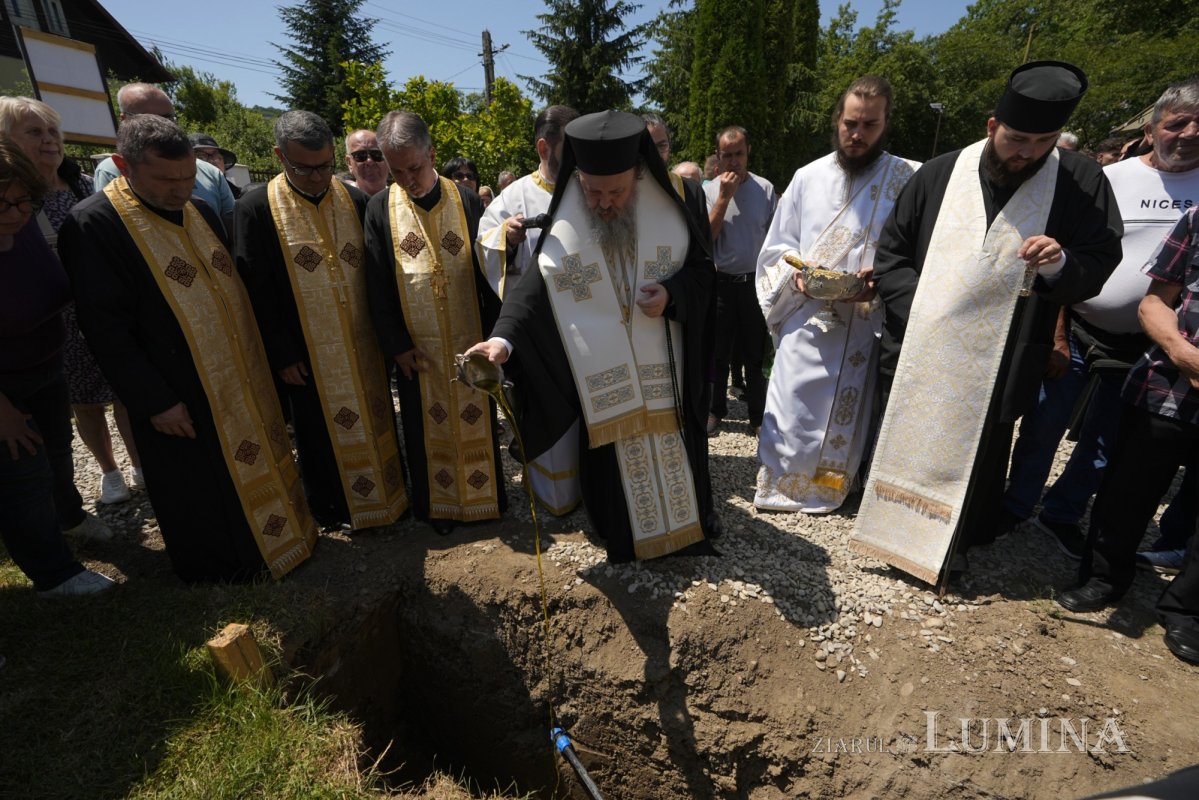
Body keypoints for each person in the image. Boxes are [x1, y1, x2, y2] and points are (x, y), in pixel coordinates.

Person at [853, 61, 1122, 585]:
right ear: (992, 125)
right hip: (921, 343)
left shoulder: (1078, 179)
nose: (1028, 153)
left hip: (1004, 351)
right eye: (1018, 138)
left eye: (1043, 141)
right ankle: (893, 531)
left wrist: (1061, 264)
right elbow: (892, 256)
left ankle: (956, 541)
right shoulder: (939, 173)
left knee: (983, 451)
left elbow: (1100, 258)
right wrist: (928, 312)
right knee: (904, 431)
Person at [59, 115, 317, 583]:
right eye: (164, 179)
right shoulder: (94, 223)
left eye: (186, 177)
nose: (178, 189)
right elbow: (103, 327)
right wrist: (154, 400)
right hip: (179, 390)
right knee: (201, 487)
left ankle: (283, 542)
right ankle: (229, 571)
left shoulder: (200, 210)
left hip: (239, 377)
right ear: (123, 165)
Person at [466, 110, 720, 563]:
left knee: (677, 447)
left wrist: (672, 294)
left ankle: (686, 534)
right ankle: (623, 537)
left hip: (667, 364)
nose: (603, 204)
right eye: (592, 191)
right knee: (612, 470)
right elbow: (533, 292)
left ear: (639, 176)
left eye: (617, 192)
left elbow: (703, 273)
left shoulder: (673, 211)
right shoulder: (568, 220)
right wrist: (501, 342)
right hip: (606, 374)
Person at [1002, 79, 1199, 560]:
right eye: (1177, 124)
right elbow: (1064, 255)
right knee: (1043, 424)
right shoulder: (1110, 178)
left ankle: (1062, 512)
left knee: (1105, 443)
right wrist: (1056, 332)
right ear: (1152, 130)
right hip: (1077, 326)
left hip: (1150, 344)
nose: (1190, 134)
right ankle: (1014, 505)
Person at [234, 110, 409, 531]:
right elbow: (256, 289)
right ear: (279, 156)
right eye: (304, 168)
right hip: (305, 353)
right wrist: (282, 353)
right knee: (318, 432)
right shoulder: (256, 207)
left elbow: (379, 274)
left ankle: (389, 498)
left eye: (325, 166)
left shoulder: (354, 199)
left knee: (376, 418)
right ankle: (332, 508)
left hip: (363, 344)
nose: (316, 177)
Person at [755, 76, 918, 513]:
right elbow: (776, 247)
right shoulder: (807, 178)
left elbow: (920, 250)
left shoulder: (909, 178)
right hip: (805, 313)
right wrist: (800, 279)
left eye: (869, 124)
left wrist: (882, 276)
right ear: (837, 120)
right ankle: (779, 488)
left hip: (865, 320)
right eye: (850, 123)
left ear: (885, 123)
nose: (857, 134)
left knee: (845, 408)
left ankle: (831, 488)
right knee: (792, 402)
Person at [1057, 206, 1199, 667]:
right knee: (1126, 491)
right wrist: (1182, 352)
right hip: (1168, 387)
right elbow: (1155, 301)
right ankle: (1104, 576)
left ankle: (1188, 609)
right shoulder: (1197, 219)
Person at [364, 111, 506, 535]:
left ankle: (486, 501)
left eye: (416, 168)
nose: (408, 179)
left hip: (469, 339)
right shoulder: (379, 208)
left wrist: (496, 335)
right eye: (397, 170)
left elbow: (487, 272)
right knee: (426, 426)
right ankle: (440, 508)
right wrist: (395, 344)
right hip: (418, 349)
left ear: (431, 154)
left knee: (477, 411)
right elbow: (376, 282)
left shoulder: (463, 200)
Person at [0, 96, 142, 507]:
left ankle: (140, 463)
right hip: (56, 324)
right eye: (34, 132)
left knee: (124, 391)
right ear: (7, 141)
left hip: (102, 309)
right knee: (84, 402)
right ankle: (109, 472)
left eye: (53, 132)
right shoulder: (17, 199)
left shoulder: (80, 184)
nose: (49, 141)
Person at [0, 140, 115, 596]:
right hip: (5, 387)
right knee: (22, 477)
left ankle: (69, 518)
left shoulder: (23, 226)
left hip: (46, 365)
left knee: (58, 453)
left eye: (23, 199)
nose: (15, 212)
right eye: (2, 201)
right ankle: (53, 574)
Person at [474, 105, 580, 516]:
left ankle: (591, 486)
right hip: (535, 329)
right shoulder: (515, 195)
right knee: (545, 408)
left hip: (584, 323)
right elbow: (484, 244)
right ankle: (554, 496)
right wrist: (509, 238)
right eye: (569, 148)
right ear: (544, 146)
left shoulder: (586, 187)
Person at [705, 125, 777, 438]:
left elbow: (778, 239)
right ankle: (714, 411)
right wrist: (723, 197)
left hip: (755, 286)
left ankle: (758, 418)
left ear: (748, 153)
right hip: (721, 283)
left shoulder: (765, 189)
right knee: (718, 354)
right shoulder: (709, 191)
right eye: (727, 155)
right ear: (718, 158)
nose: (733, 161)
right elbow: (706, 239)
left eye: (739, 154)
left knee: (753, 355)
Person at [92, 83, 235, 234]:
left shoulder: (210, 172)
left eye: (167, 118)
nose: (160, 125)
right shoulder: (110, 172)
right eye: (147, 119)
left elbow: (231, 228)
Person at [189, 132, 242, 199]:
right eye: (201, 157)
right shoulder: (181, 196)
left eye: (216, 155)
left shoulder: (239, 195)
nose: (211, 161)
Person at [344, 128, 388, 196]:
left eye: (376, 154)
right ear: (349, 163)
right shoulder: (342, 201)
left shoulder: (402, 199)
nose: (369, 161)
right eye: (360, 155)